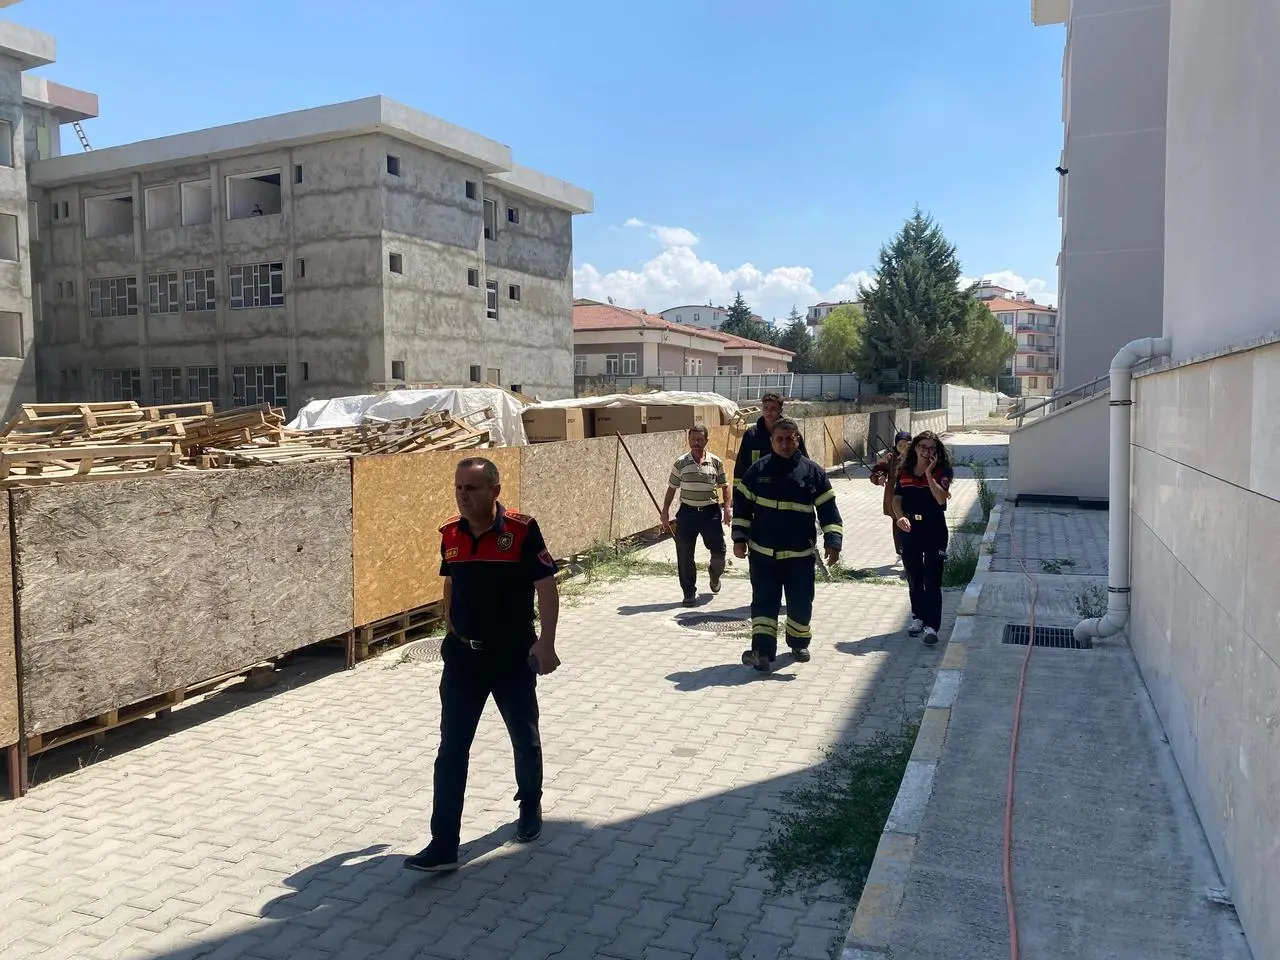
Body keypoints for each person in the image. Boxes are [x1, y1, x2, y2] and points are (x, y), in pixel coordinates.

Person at [404, 457, 561, 874]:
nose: (462, 495)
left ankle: (530, 805)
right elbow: (450, 583)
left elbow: (546, 587)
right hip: (463, 660)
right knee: (451, 749)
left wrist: (546, 643)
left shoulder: (521, 531)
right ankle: (443, 845)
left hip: (512, 657)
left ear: (494, 490)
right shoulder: (450, 534)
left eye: (471, 488)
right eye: (458, 487)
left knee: (524, 738)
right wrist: (450, 626)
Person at [732, 417, 842, 672]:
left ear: (797, 440)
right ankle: (762, 652)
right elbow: (742, 506)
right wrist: (739, 538)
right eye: (779, 439)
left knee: (800, 603)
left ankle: (798, 643)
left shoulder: (813, 472)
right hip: (763, 555)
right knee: (764, 604)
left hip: (799, 555)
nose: (784, 444)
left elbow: (828, 510)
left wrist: (833, 541)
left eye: (789, 439)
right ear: (771, 441)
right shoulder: (757, 471)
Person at [892, 431, 954, 645]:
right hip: (910, 528)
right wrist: (900, 517)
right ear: (915, 448)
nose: (927, 452)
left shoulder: (942, 472)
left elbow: (940, 499)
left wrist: (929, 475)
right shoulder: (905, 470)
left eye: (931, 448)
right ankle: (918, 617)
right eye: (923, 447)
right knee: (914, 576)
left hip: (934, 528)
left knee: (932, 578)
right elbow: (896, 499)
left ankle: (931, 626)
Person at [660, 424, 731, 606]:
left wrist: (727, 509)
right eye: (693, 439)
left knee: (719, 553)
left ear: (706, 441)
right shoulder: (680, 463)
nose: (696, 443)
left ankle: (715, 576)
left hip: (710, 514)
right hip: (688, 514)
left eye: (700, 439)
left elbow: (725, 487)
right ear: (689, 440)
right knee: (684, 554)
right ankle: (689, 592)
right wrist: (665, 511)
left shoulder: (715, 462)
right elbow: (671, 489)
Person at [734, 391, 809, 478]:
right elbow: (741, 466)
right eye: (766, 408)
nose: (769, 412)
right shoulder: (751, 435)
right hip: (759, 483)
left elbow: (803, 461)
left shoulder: (791, 433)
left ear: (780, 410)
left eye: (773, 408)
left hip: (787, 481)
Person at [870, 431, 913, 558]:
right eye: (900, 445)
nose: (903, 448)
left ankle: (913, 549)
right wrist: (880, 477)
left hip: (912, 496)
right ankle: (901, 550)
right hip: (895, 497)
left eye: (906, 445)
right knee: (898, 523)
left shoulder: (915, 457)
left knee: (913, 522)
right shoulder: (891, 458)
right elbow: (877, 470)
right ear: (896, 446)